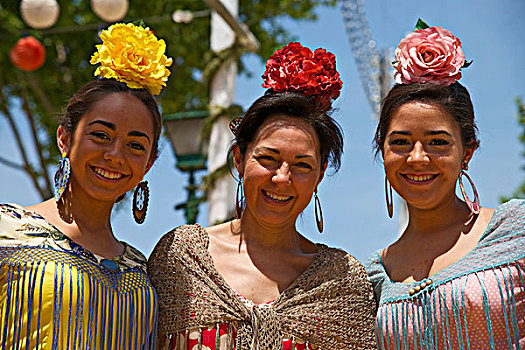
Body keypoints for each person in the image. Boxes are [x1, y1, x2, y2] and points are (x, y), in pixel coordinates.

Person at [148, 42, 377, 350]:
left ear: (319, 176)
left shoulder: (342, 282)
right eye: (268, 159)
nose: (282, 177)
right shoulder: (181, 258)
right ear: (239, 159)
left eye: (302, 165)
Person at [0, 22, 172, 348]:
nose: (115, 155)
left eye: (135, 145)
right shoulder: (7, 231)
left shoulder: (144, 270)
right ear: (65, 139)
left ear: (149, 163)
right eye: (100, 135)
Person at [365, 19, 524, 349]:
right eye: (401, 142)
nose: (418, 158)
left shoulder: (516, 232)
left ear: (467, 153)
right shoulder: (374, 277)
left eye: (437, 142)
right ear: (383, 153)